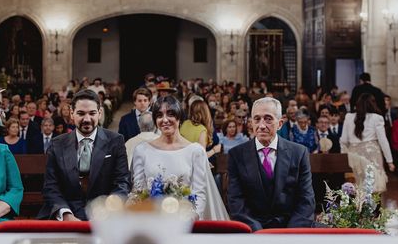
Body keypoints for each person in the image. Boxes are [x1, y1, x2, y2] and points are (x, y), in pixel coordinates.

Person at [37, 89, 130, 221]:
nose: (87, 119)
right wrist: (65, 214)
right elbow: (50, 186)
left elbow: (122, 184)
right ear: (72, 114)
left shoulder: (115, 141)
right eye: (81, 113)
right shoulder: (57, 144)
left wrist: (107, 211)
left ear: (100, 113)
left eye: (92, 113)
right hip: (66, 213)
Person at [131, 95, 228, 220]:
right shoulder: (142, 150)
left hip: (186, 221)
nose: (165, 120)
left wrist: (190, 219)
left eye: (170, 114)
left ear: (179, 117)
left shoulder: (195, 151)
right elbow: (139, 191)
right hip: (152, 219)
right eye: (160, 115)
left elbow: (199, 193)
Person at [227, 97, 315, 231]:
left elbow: (306, 200)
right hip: (253, 232)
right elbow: (236, 202)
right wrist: (258, 233)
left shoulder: (299, 153)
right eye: (257, 119)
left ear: (280, 123)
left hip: (290, 230)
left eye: (268, 119)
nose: (262, 125)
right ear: (251, 123)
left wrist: (291, 233)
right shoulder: (236, 155)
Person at [340, 94, 395, 193]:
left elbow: (343, 140)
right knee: (374, 187)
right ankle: (373, 208)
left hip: (354, 155)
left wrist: (345, 153)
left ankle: (358, 207)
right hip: (372, 154)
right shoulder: (377, 118)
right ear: (372, 104)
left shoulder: (349, 117)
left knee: (357, 186)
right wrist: (389, 161)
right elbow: (383, 140)